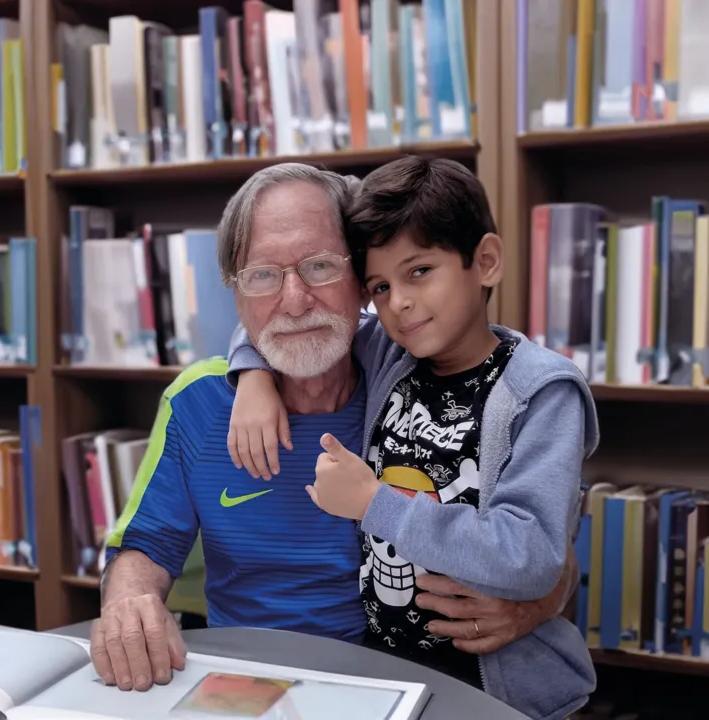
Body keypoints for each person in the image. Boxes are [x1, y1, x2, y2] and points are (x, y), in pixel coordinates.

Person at [90, 163, 576, 700]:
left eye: (320, 266)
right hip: (244, 684)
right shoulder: (197, 402)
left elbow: (546, 548)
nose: (294, 302)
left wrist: (537, 603)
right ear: (236, 292)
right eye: (263, 276)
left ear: (359, 284)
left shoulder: (412, 375)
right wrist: (127, 606)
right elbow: (145, 548)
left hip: (392, 683)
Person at [226, 157, 598, 720]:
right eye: (379, 285)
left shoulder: (541, 393)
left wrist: (377, 503)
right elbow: (283, 308)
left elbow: (533, 556)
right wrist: (252, 374)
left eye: (420, 271)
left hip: (500, 693)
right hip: (395, 683)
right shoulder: (388, 352)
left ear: (486, 262)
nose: (397, 302)